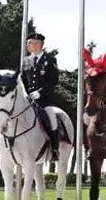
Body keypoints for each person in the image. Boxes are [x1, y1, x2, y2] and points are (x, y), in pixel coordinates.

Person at [21, 32, 60, 160]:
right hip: (28, 101)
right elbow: (23, 79)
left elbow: (53, 80)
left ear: (38, 44)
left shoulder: (50, 60)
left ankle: (54, 150)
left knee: (52, 121)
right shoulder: (26, 60)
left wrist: (40, 92)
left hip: (44, 100)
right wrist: (26, 93)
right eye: (28, 43)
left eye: (30, 43)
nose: (27, 45)